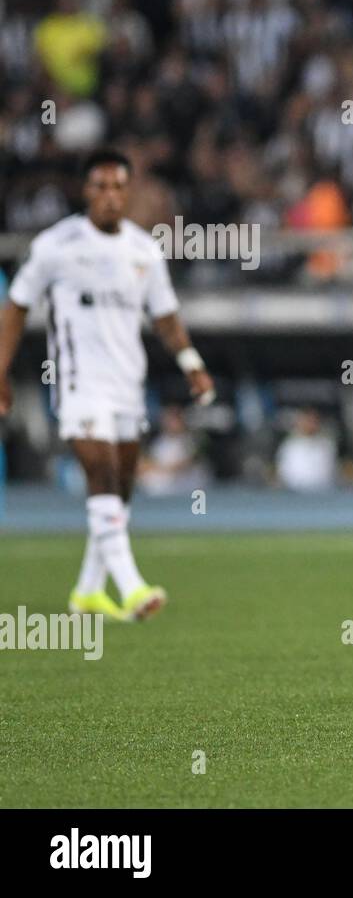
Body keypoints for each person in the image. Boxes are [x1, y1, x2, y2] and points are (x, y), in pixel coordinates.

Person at [0, 148, 214, 621]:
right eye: (101, 187)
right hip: (78, 381)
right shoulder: (57, 245)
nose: (111, 196)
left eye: (119, 187)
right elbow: (15, 306)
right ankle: (133, 587)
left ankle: (88, 591)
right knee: (99, 472)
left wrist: (191, 362)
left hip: (126, 384)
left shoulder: (143, 249)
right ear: (85, 191)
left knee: (121, 487)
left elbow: (166, 317)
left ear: (129, 191)